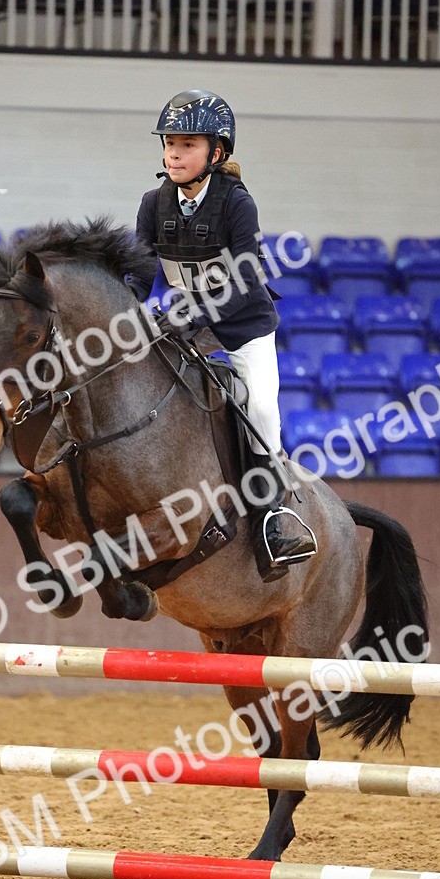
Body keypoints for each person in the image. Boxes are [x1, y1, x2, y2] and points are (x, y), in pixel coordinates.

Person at [125, 88, 316, 581]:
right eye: (169, 143)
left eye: (187, 144)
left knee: (263, 409)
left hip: (242, 331)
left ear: (217, 152)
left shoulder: (237, 204)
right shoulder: (153, 202)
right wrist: (127, 308)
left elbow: (248, 278)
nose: (173, 152)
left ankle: (275, 516)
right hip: (185, 327)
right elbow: (140, 271)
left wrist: (196, 315)